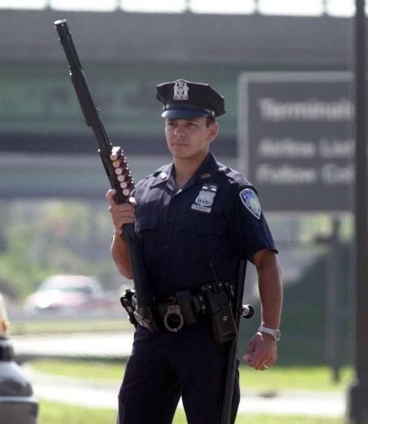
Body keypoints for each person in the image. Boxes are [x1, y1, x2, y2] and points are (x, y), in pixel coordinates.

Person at [106, 79, 283, 424]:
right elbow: (129, 269)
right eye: (172, 124)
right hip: (152, 336)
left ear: (211, 131)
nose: (179, 133)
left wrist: (268, 331)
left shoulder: (233, 191)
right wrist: (119, 230)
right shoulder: (146, 191)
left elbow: (266, 262)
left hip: (207, 339)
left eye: (190, 125)